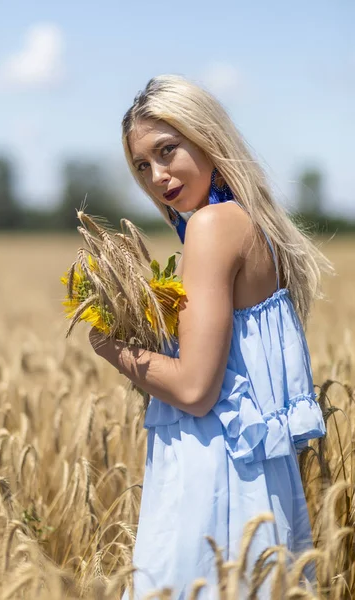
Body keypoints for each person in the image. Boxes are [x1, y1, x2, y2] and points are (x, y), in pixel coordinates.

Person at [89, 75, 331, 599]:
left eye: (167, 150)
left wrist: (109, 344)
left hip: (211, 481)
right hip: (258, 482)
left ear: (207, 136)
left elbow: (197, 390)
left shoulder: (210, 227)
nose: (157, 176)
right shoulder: (255, 223)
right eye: (141, 166)